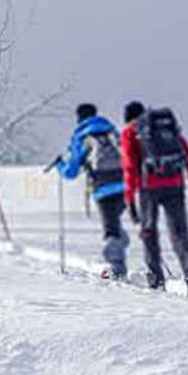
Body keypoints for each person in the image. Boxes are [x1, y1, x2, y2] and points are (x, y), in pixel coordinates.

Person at [121, 101, 188, 297]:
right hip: (175, 184)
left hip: (148, 189)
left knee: (149, 234)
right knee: (180, 234)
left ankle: (156, 280)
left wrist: (130, 200)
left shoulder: (130, 133)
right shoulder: (166, 127)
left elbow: (130, 168)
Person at [53, 103, 129, 280]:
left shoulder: (81, 136)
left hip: (103, 188)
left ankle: (116, 268)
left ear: (79, 117)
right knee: (115, 223)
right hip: (125, 184)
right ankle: (119, 257)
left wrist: (59, 165)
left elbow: (71, 172)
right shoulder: (110, 130)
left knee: (111, 228)